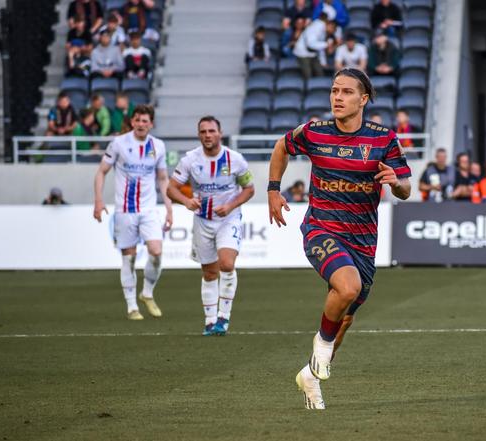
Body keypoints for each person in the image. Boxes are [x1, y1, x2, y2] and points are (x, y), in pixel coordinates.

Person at [267, 68, 411, 410]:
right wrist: (273, 189)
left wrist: (396, 183)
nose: (337, 97)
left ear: (363, 100)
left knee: (346, 313)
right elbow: (281, 146)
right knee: (347, 287)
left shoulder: (383, 139)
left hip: (363, 239)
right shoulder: (314, 132)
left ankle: (311, 377)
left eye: (346, 92)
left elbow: (405, 188)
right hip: (322, 228)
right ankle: (321, 346)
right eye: (334, 90)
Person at [167, 116, 255, 336]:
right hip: (202, 220)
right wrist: (186, 201)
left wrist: (230, 205)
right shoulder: (189, 160)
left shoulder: (235, 159)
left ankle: (224, 318)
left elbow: (249, 189)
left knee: (226, 263)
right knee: (209, 272)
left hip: (229, 219)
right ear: (199, 135)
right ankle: (210, 321)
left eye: (211, 131)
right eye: (203, 131)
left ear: (220, 133)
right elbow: (172, 188)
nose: (207, 135)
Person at [93, 105, 173, 320]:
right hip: (125, 211)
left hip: (148, 210)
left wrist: (169, 208)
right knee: (129, 258)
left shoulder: (158, 146)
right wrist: (99, 201)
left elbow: (163, 178)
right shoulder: (119, 143)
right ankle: (131, 307)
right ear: (132, 122)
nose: (140, 124)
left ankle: (147, 293)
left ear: (151, 124)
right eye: (137, 120)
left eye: (145, 121)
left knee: (156, 252)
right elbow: (101, 172)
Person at [293, 13, 329, 79]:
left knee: (320, 73)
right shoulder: (318, 26)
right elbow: (311, 44)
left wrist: (323, 61)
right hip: (302, 53)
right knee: (308, 76)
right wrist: (327, 44)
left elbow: (320, 46)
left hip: (313, 53)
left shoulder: (320, 26)